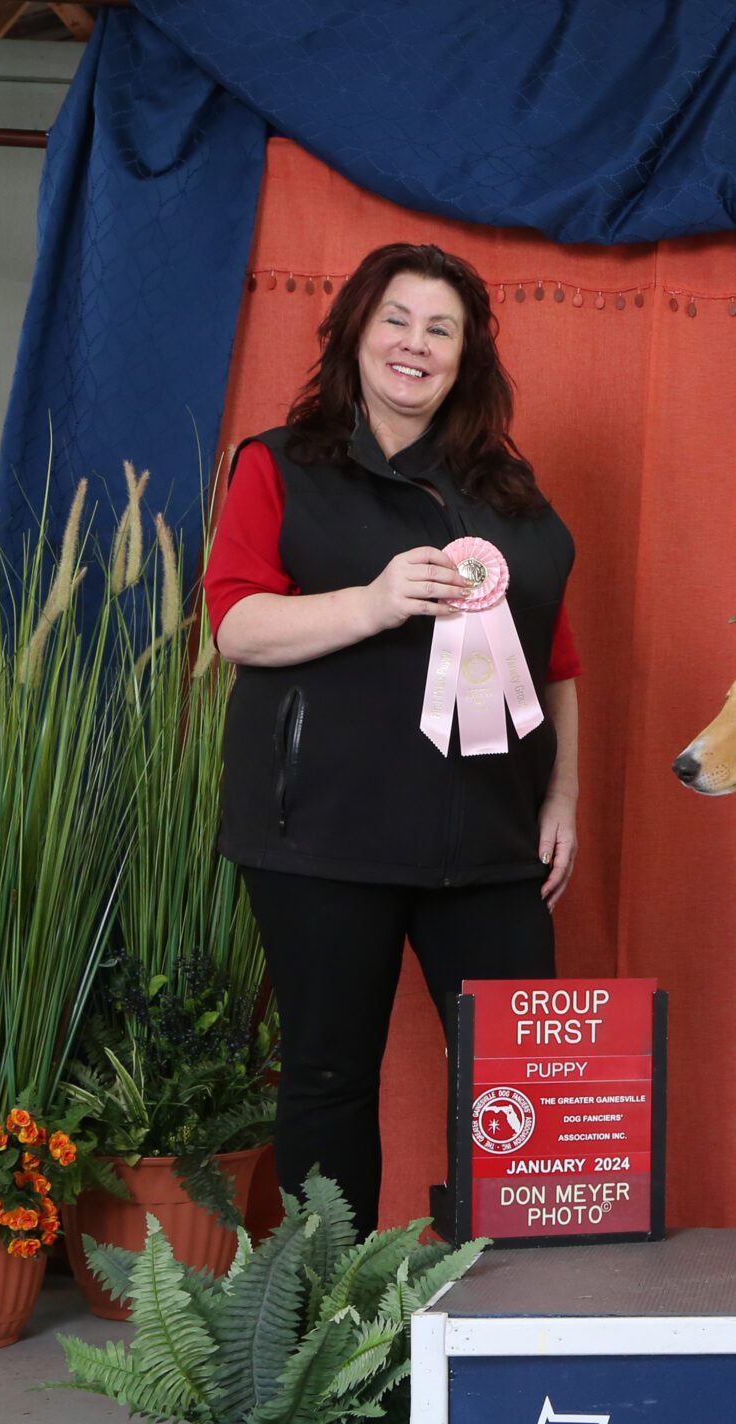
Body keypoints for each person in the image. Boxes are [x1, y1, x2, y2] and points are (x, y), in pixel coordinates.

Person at [207, 241, 582, 1235]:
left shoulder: (512, 495)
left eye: (440, 329)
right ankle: (329, 1311)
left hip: (490, 840)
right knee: (329, 1076)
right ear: (355, 335)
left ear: (466, 356)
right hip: (322, 835)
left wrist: (561, 796)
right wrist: (372, 603)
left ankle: (516, 1308)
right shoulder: (279, 466)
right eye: (397, 321)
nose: (415, 344)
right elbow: (236, 624)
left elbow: (556, 657)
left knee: (522, 1075)